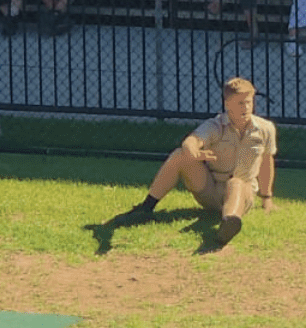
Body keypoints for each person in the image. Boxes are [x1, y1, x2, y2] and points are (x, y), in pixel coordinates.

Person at [118, 77, 277, 247]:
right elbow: (191, 140)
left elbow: (266, 162)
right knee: (180, 155)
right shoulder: (215, 125)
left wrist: (266, 198)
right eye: (239, 103)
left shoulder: (265, 129)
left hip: (242, 193)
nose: (245, 107)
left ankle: (229, 223)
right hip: (211, 190)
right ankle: (145, 209)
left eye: (248, 102)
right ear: (227, 104)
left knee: (236, 182)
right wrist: (192, 151)